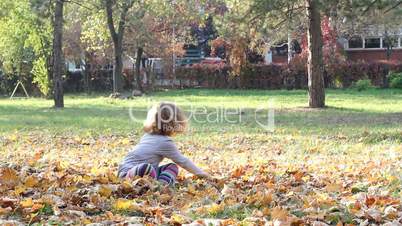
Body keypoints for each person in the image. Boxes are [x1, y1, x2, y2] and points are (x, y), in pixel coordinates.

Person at [118, 102, 210, 185]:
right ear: (174, 122)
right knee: (147, 168)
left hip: (140, 173)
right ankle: (154, 186)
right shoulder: (165, 142)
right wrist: (201, 174)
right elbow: (183, 161)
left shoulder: (148, 135)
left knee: (172, 167)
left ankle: (161, 185)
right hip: (129, 172)